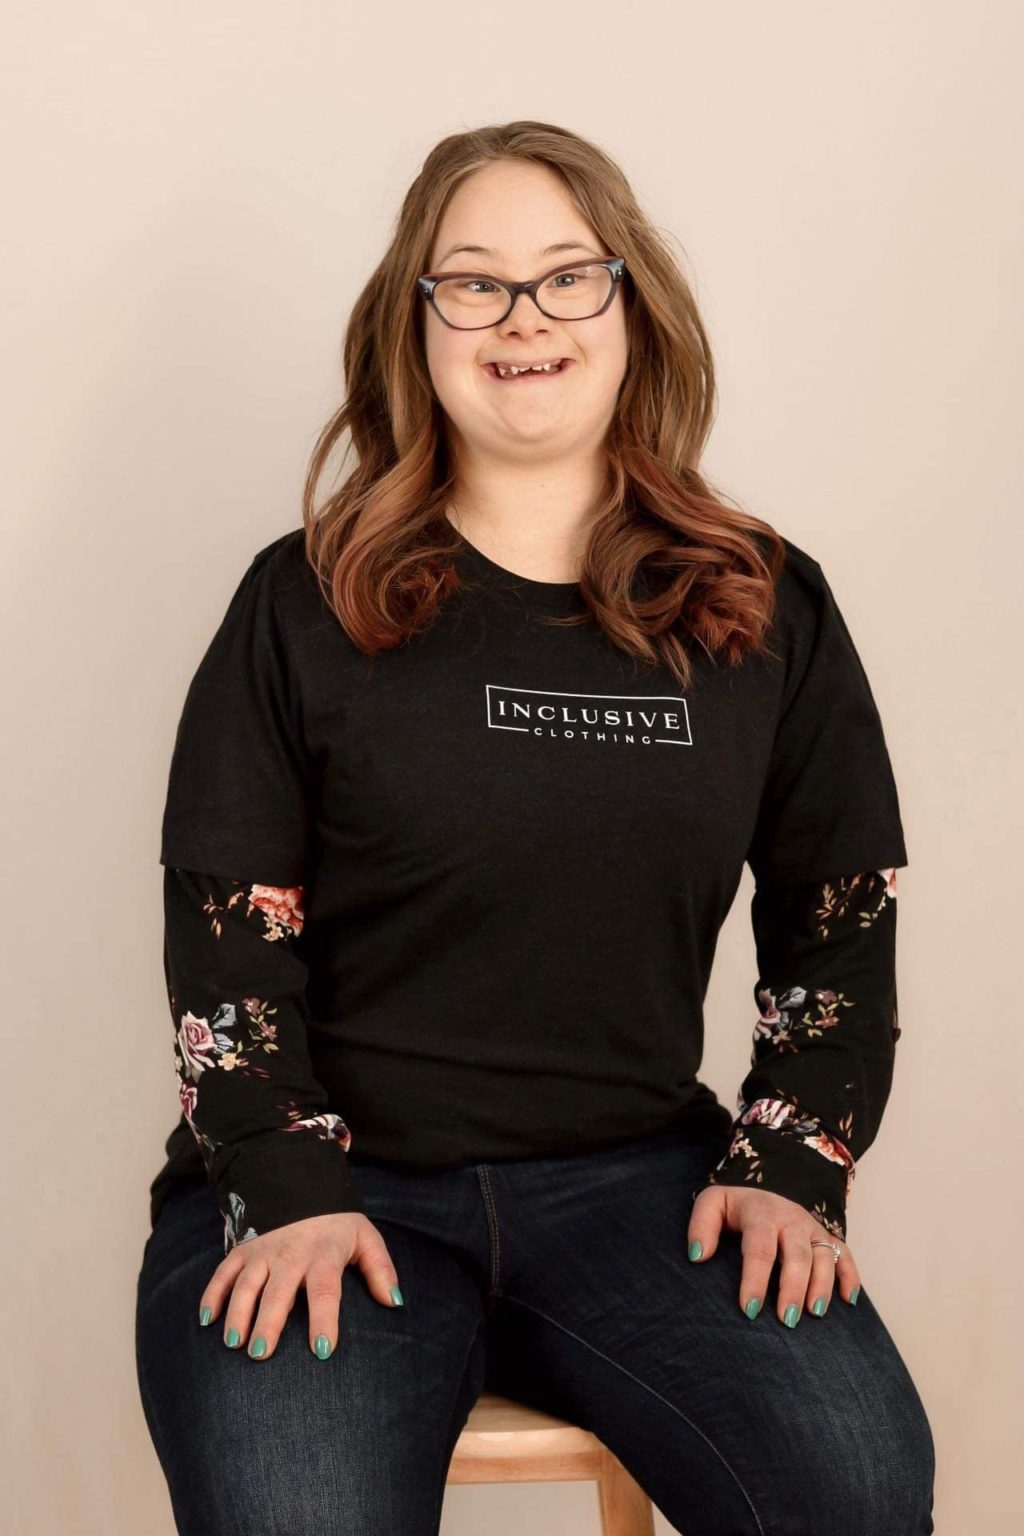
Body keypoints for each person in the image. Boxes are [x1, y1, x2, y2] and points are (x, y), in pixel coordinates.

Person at [134, 121, 936, 1535]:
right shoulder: (303, 601)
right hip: (333, 1179)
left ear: (633, 311)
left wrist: (792, 1158)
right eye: (475, 282)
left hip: (640, 1184)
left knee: (855, 1488)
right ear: (418, 321)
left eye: (570, 276)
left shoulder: (761, 604)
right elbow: (228, 950)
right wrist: (286, 1183)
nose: (525, 318)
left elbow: (839, 917)